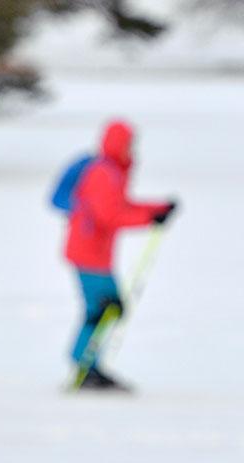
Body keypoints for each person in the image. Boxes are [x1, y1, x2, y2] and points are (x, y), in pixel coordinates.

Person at [65, 119, 176, 391]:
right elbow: (110, 216)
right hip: (88, 253)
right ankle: (84, 366)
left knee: (109, 308)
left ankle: (89, 364)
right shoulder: (103, 173)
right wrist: (150, 219)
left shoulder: (111, 171)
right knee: (104, 309)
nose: (132, 149)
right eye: (128, 143)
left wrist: (155, 209)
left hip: (96, 254)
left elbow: (120, 206)